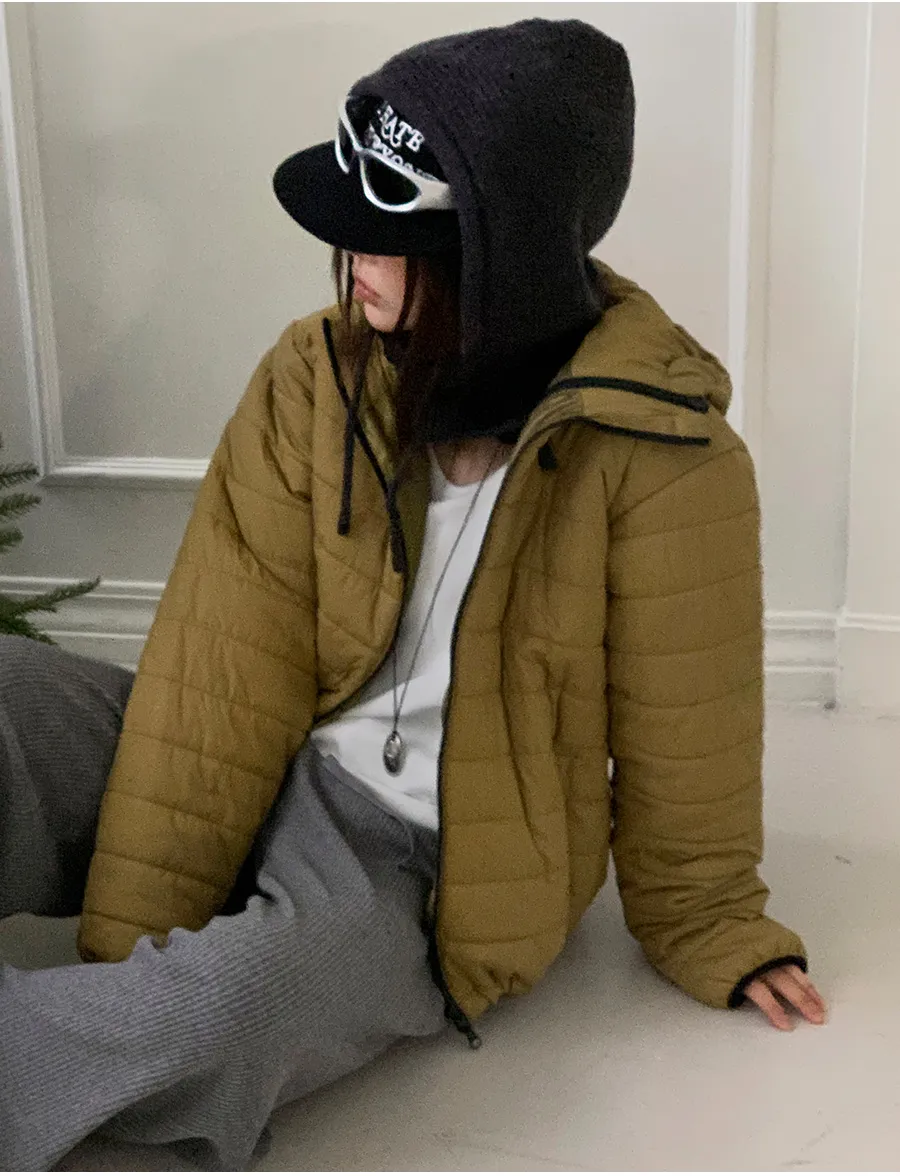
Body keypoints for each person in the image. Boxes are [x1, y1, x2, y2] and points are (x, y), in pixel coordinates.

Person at [0, 17, 826, 1171]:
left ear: (499, 258)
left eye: (389, 243)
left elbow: (689, 727)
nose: (353, 266)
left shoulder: (666, 455)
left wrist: (712, 921)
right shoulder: (316, 374)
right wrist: (135, 927)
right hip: (267, 749)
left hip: (433, 854)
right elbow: (222, 662)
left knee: (224, 1010)